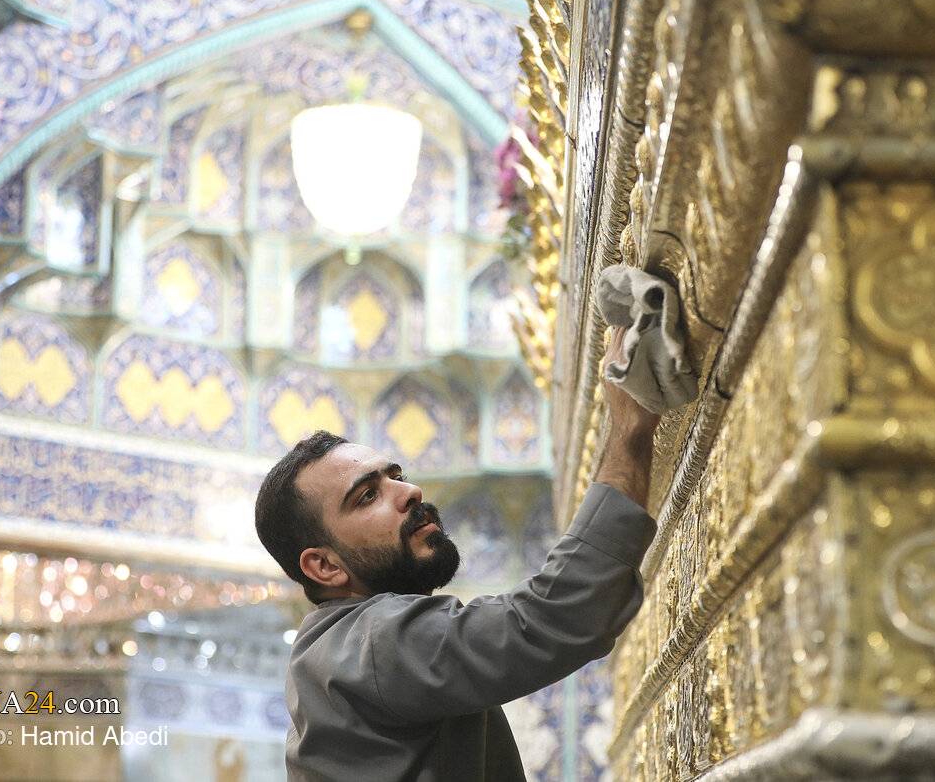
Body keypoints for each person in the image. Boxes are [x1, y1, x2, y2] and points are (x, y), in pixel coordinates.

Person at [254, 329, 660, 781]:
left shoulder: (333, 654)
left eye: (395, 477)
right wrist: (630, 428)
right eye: (367, 496)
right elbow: (558, 616)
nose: (410, 492)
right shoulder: (372, 643)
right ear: (325, 566)